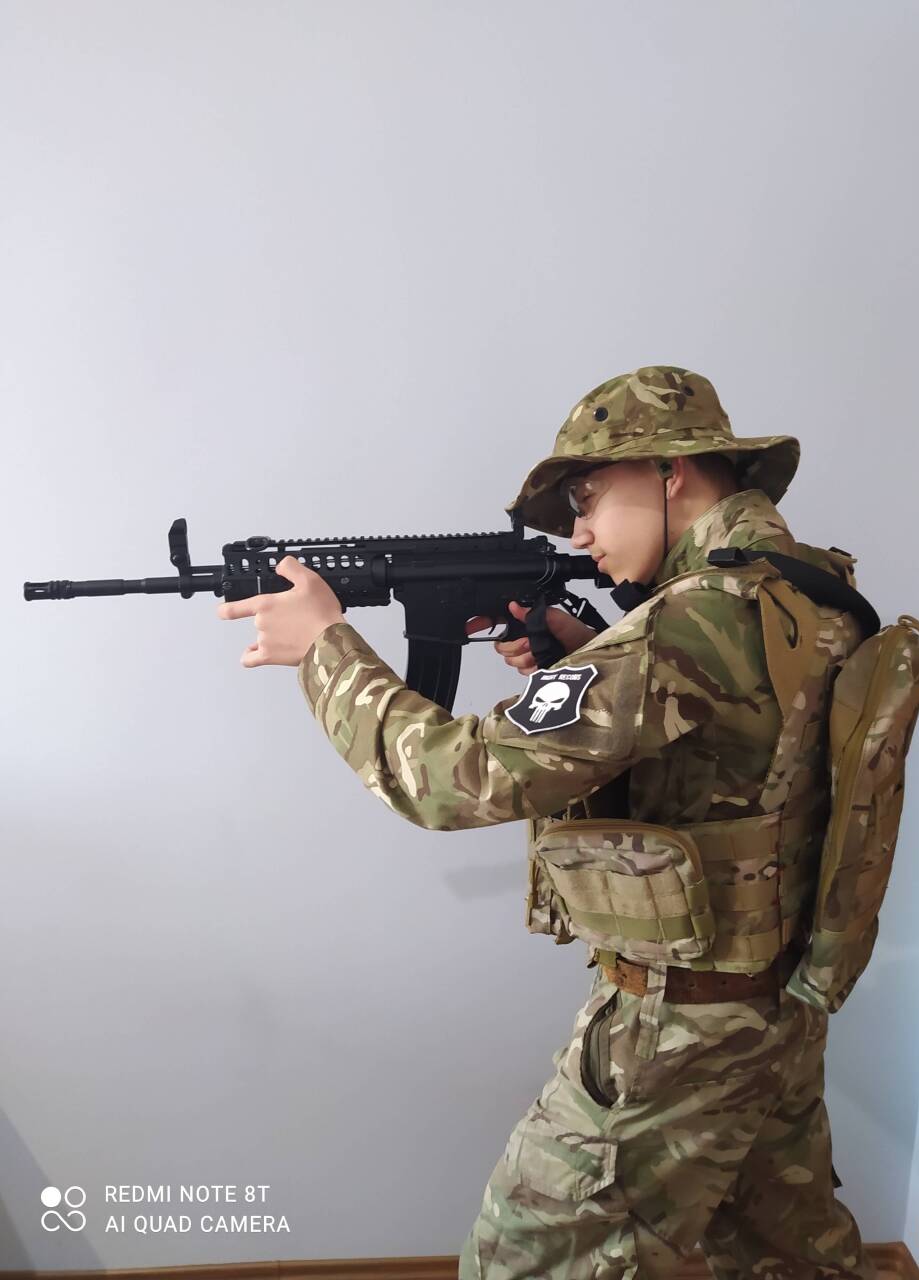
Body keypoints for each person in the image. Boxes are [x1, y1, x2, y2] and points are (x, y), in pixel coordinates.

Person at [218, 365, 876, 1279]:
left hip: (675, 1033)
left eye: (587, 497)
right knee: (789, 1259)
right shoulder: (804, 591)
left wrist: (325, 648)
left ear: (672, 471)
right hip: (774, 1008)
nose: (578, 533)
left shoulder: (693, 621)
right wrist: (590, 654)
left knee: (520, 1262)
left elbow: (455, 780)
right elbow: (739, 760)